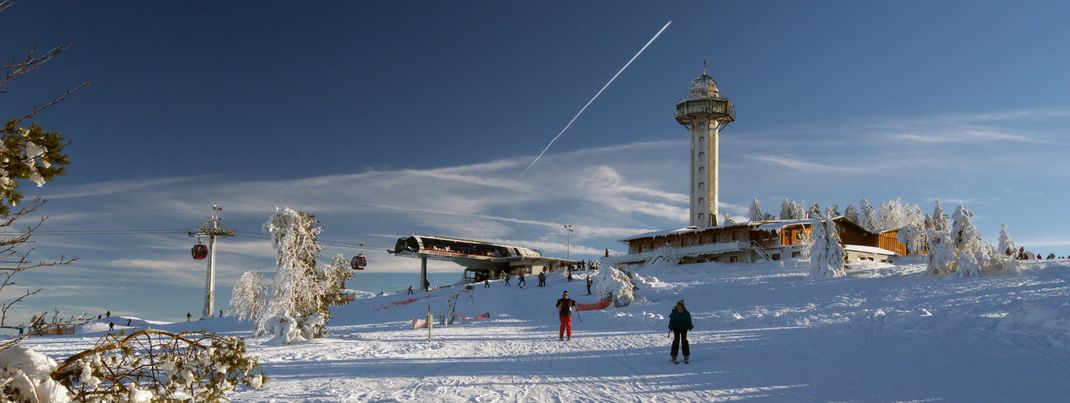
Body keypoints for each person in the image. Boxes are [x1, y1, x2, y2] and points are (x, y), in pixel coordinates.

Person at [668, 300, 694, 364]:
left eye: (680, 306)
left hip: (684, 328)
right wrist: (671, 327)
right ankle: (673, 356)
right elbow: (671, 321)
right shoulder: (674, 313)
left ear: (682, 307)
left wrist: (690, 326)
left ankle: (686, 356)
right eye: (678, 306)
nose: (679, 307)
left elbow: (689, 320)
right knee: (676, 340)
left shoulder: (686, 313)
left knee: (684, 340)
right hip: (676, 328)